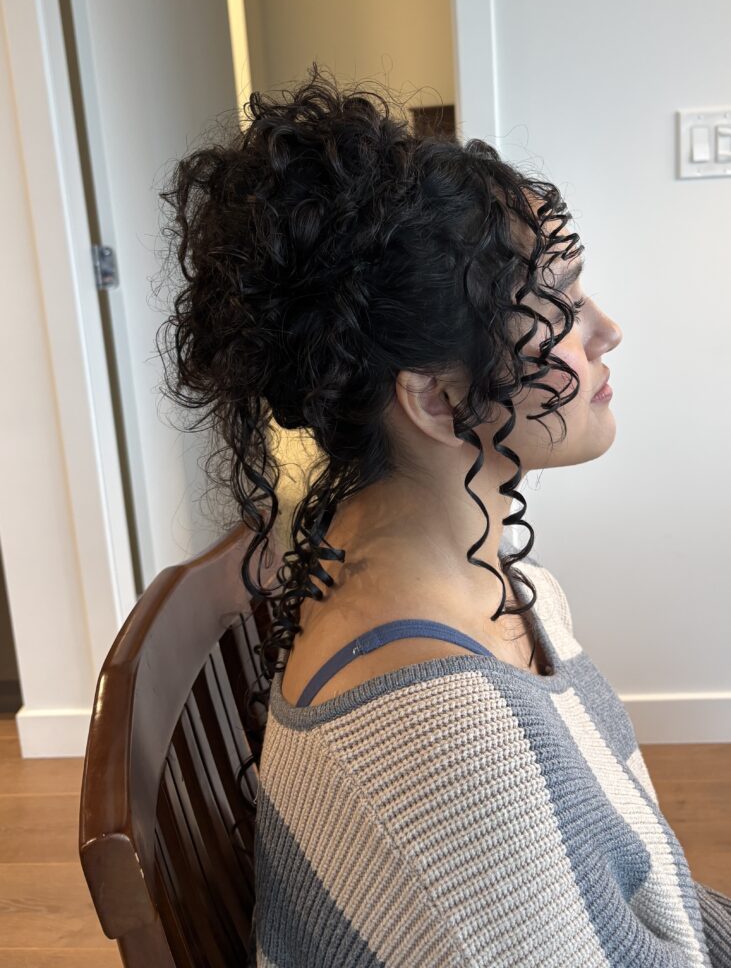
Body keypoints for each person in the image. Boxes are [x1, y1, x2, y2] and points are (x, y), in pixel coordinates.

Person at [156, 63, 731, 966]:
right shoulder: (446, 739)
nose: (604, 330)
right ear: (434, 399)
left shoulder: (469, 579)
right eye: (558, 305)